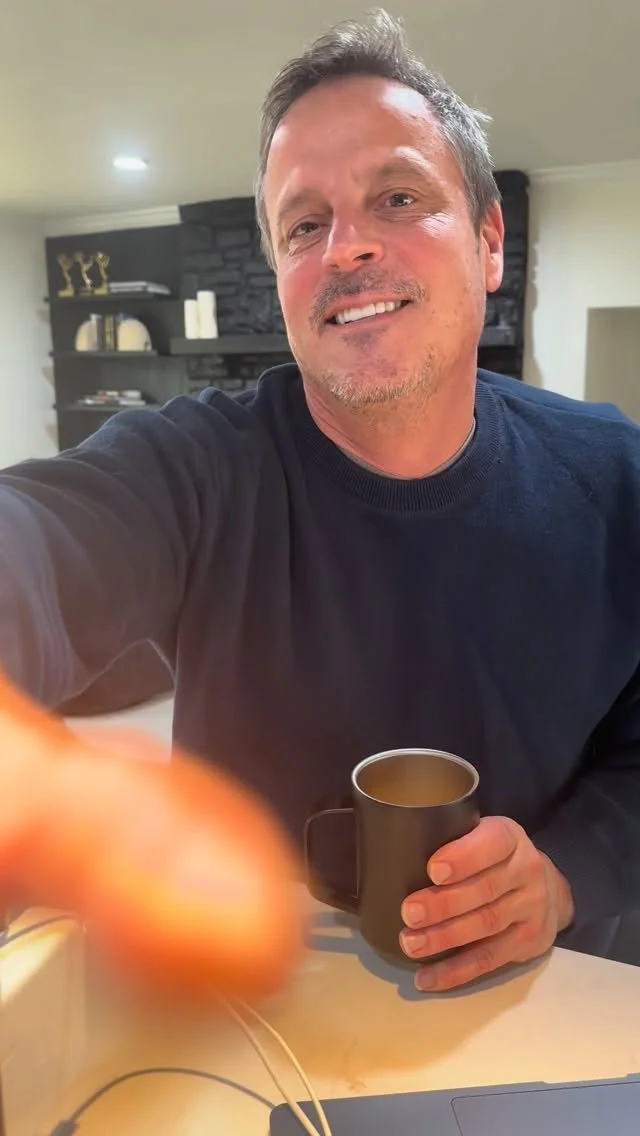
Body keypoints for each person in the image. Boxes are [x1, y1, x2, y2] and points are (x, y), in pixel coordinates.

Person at [1, 8, 640, 994]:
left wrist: (565, 874)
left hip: (554, 1000)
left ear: (489, 243)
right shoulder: (198, 467)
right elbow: (38, 541)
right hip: (257, 1015)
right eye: (305, 224)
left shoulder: (616, 476)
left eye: (398, 197)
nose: (346, 249)